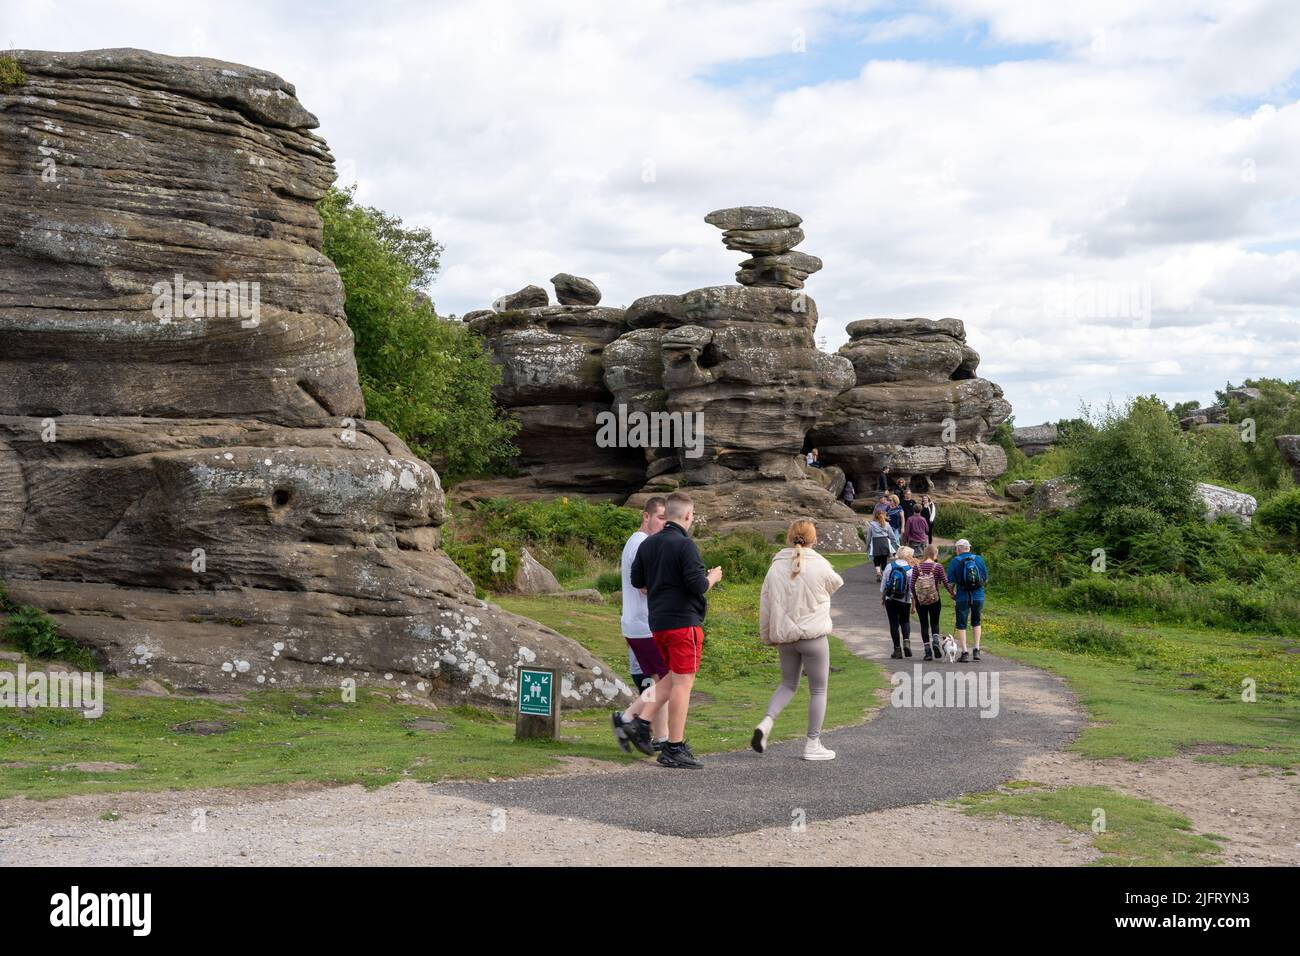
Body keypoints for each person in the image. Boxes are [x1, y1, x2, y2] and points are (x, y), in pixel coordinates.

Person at [629, 492, 723, 769]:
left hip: (657, 622)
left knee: (670, 678)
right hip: (683, 622)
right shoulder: (685, 545)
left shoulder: (648, 544)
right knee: (684, 684)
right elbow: (698, 586)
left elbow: (638, 581)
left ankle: (641, 722)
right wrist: (713, 577)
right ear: (688, 516)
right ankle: (674, 747)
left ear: (666, 513)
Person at [752, 520, 844, 761]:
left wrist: (768, 635)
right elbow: (836, 583)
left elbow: (766, 605)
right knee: (818, 690)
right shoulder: (820, 564)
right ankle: (813, 744)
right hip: (813, 636)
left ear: (789, 537)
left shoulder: (775, 567)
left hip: (785, 637)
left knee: (788, 684)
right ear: (813, 539)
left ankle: (766, 722)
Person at [610, 497, 670, 755]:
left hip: (637, 623)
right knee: (668, 681)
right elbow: (644, 586)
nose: (663, 523)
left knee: (660, 680)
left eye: (667, 518)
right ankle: (627, 719)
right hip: (644, 625)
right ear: (646, 517)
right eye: (659, 517)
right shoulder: (642, 544)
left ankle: (662, 737)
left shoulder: (636, 542)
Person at [946, 538, 989, 663]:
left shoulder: (955, 561)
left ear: (958, 549)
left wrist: (952, 594)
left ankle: (964, 652)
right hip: (978, 596)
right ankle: (976, 649)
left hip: (962, 596)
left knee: (961, 623)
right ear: (968, 548)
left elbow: (950, 582)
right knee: (976, 621)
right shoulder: (978, 559)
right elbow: (985, 578)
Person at [911, 544, 955, 661]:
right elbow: (946, 583)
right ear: (935, 554)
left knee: (924, 624)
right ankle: (935, 640)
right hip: (934, 599)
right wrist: (952, 594)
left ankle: (928, 652)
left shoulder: (916, 567)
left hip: (921, 601)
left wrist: (916, 598)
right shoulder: (938, 566)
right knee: (934, 622)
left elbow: (911, 585)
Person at [880, 546, 916, 658]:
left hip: (890, 599)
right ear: (908, 556)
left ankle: (897, 650)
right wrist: (913, 604)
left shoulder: (889, 566)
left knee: (894, 623)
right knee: (905, 621)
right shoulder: (910, 570)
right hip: (905, 600)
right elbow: (912, 589)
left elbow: (884, 585)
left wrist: (883, 598)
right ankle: (906, 642)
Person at [867, 509, 899, 580]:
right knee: (884, 560)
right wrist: (895, 544)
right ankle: (884, 575)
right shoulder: (887, 524)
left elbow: (869, 536)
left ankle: (878, 572)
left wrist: (868, 546)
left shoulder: (871, 524)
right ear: (884, 515)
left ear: (875, 516)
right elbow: (892, 536)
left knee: (876, 559)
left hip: (876, 542)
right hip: (884, 541)